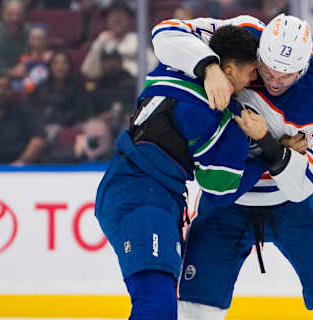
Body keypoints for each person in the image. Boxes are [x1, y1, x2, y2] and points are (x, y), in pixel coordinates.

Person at [152, 13, 313, 320]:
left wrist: (267, 143)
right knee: (194, 311)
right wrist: (209, 67)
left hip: (293, 207)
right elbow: (164, 34)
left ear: (304, 66)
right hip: (227, 203)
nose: (274, 81)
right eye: (268, 70)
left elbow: (306, 183)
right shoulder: (244, 34)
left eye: (286, 76)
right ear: (258, 52)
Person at [95, 26, 270, 320]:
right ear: (228, 68)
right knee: (156, 305)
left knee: (158, 301)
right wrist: (267, 156)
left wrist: (208, 67)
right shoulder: (216, 119)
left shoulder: (172, 70)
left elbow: (169, 38)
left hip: (138, 192)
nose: (256, 79)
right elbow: (221, 191)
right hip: (140, 200)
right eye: (252, 71)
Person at [0, 73, 45, 164]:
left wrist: (21, 162)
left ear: (12, 90)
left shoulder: (27, 112)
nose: (1, 92)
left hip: (22, 169)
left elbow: (38, 140)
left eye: (5, 88)